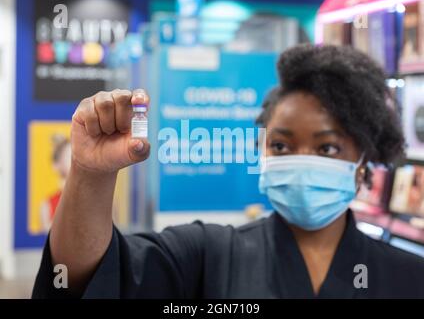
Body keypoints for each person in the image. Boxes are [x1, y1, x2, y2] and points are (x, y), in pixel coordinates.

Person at [33, 44, 424, 298]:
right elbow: (80, 277)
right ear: (262, 152)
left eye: (327, 147)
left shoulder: (408, 276)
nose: (302, 159)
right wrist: (88, 172)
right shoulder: (211, 254)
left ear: (361, 165)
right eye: (281, 145)